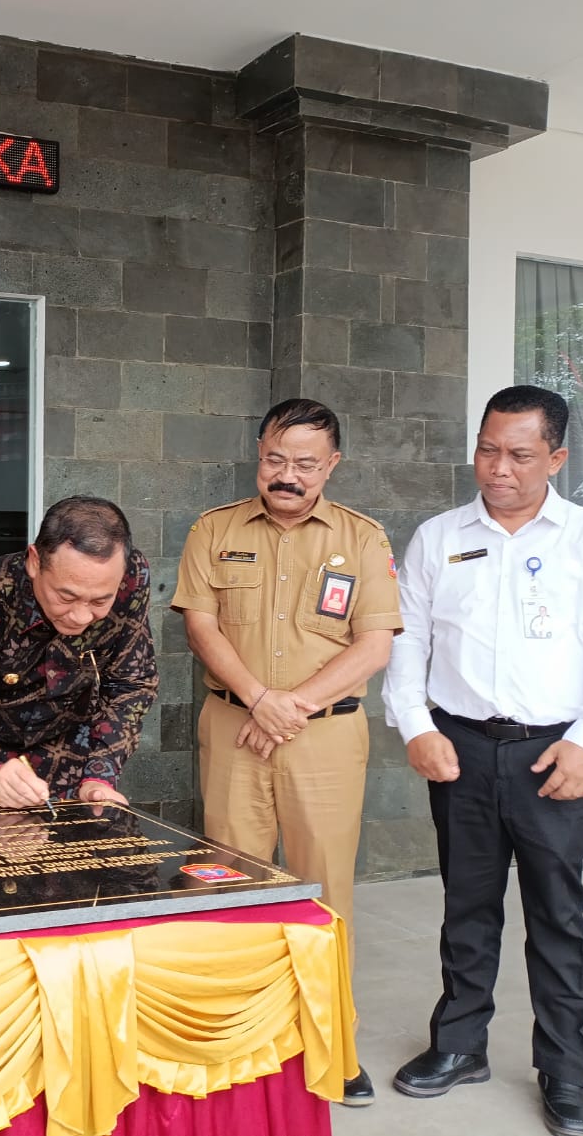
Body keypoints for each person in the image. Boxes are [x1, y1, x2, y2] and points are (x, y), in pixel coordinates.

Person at [384, 385, 583, 1136]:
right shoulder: (439, 536)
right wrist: (415, 725)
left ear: (556, 457)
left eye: (520, 454)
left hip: (556, 753)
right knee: (466, 909)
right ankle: (459, 1045)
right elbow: (409, 644)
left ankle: (565, 1071)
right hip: (460, 749)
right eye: (488, 449)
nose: (498, 468)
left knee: (556, 918)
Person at [171, 397, 400, 1108]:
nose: (288, 475)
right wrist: (259, 696)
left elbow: (375, 643)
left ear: (331, 465)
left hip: (324, 735)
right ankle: (237, 1038)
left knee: (324, 891)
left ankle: (336, 1046)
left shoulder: (362, 539)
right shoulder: (214, 529)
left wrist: (289, 704)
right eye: (276, 458)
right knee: (227, 884)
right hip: (235, 725)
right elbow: (201, 623)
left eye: (305, 463)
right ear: (258, 451)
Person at [0, 495, 157, 810]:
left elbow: (131, 684)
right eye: (65, 596)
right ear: (34, 561)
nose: (80, 616)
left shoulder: (131, 578)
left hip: (74, 770)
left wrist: (101, 774)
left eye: (99, 601)